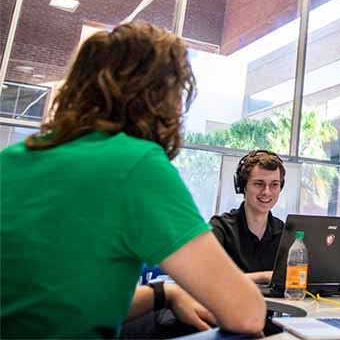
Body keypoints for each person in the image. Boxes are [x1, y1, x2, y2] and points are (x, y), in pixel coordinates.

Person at [0, 22, 265, 338]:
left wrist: (164, 294)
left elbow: (54, 303)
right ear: (158, 98)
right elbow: (247, 313)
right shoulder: (135, 164)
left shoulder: (13, 158)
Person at [210, 149, 286, 284]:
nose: (266, 192)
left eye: (274, 184)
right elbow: (208, 278)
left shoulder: (285, 232)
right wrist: (265, 276)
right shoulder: (221, 228)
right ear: (242, 186)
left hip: (276, 305)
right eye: (259, 184)